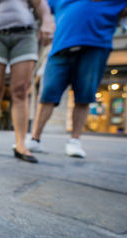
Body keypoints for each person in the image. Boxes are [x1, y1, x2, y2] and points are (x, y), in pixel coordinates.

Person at [26, 0, 127, 158]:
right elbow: (41, 6)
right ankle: (35, 138)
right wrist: (45, 23)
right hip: (60, 46)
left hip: (95, 45)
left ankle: (74, 140)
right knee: (48, 93)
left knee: (84, 95)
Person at [0, 0, 53, 163]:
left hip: (25, 34)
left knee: (21, 90)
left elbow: (40, 5)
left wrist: (47, 23)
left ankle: (21, 144)